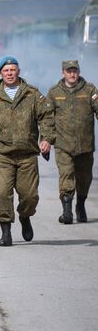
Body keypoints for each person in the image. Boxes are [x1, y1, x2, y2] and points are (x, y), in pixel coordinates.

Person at [0, 56, 55, 247]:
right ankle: (6, 232)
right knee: (2, 194)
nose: (9, 73)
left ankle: (25, 216)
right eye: (6, 70)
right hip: (4, 154)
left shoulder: (32, 94)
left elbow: (47, 117)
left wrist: (47, 139)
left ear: (18, 71)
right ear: (0, 73)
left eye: (13, 70)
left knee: (30, 196)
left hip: (27, 154)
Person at [46, 60, 98, 224]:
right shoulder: (54, 92)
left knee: (84, 178)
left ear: (79, 72)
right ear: (63, 73)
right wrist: (46, 140)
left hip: (85, 145)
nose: (72, 74)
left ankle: (80, 205)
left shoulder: (90, 90)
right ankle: (67, 211)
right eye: (69, 71)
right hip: (63, 144)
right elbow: (47, 119)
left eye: (74, 71)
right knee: (66, 175)